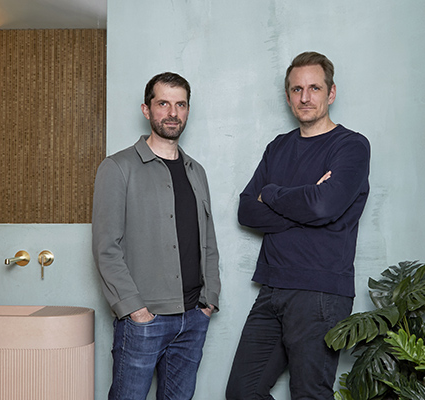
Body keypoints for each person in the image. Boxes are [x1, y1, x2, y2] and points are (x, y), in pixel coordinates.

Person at [226, 52, 370, 399]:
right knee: (242, 392)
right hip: (272, 288)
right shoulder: (278, 148)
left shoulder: (351, 146)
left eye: (314, 88)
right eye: (296, 89)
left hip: (320, 292)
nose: (305, 97)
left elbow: (323, 206)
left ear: (330, 93)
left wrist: (271, 193)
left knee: (308, 393)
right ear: (288, 96)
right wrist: (303, 200)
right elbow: (247, 211)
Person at [92, 72, 220, 400]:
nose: (172, 112)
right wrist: (136, 311)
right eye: (163, 103)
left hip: (193, 316)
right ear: (147, 110)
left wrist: (210, 300)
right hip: (145, 320)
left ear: (188, 111)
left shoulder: (197, 171)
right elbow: (106, 248)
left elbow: (208, 240)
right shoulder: (118, 167)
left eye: (180, 104)